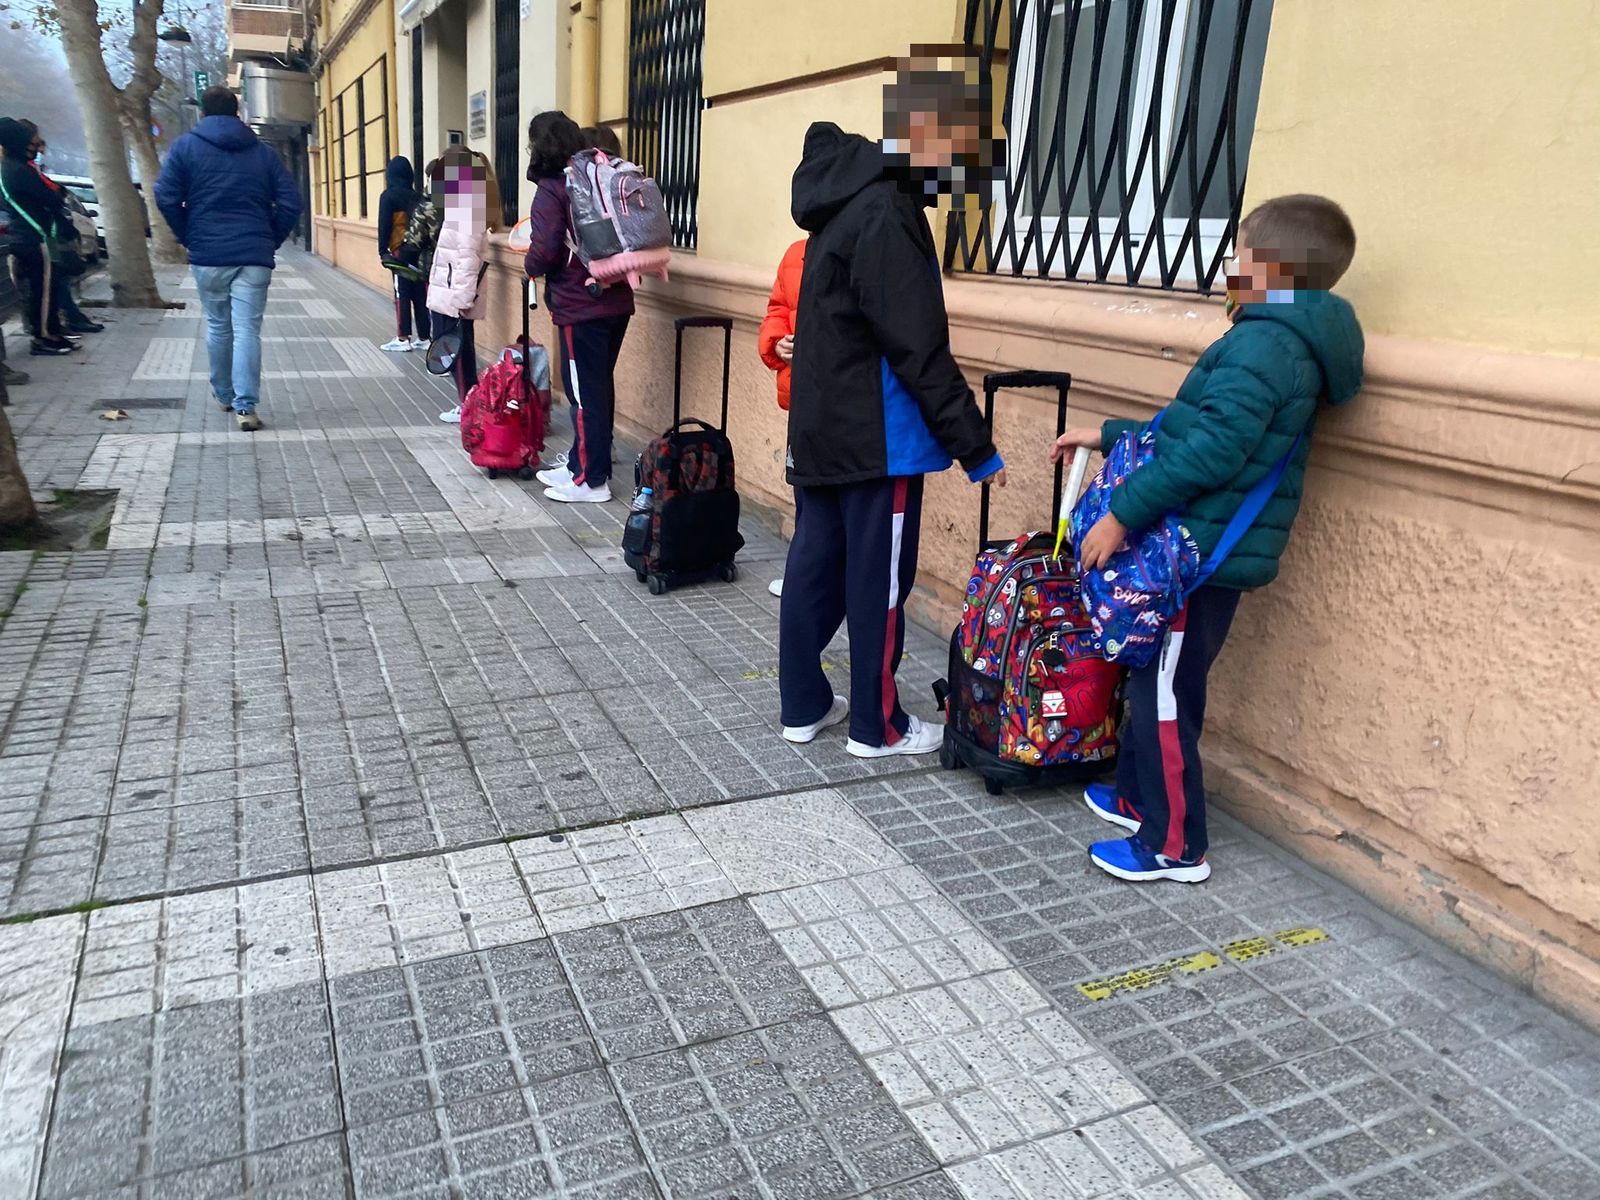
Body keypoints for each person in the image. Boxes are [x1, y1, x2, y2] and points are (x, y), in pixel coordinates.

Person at [1053, 195, 1365, 884]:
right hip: (1198, 544)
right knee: (1151, 672)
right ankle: (1137, 795)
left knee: (1168, 691)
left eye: (1238, 251)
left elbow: (1212, 455)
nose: (1228, 265)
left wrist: (1121, 514)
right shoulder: (1270, 335)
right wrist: (1107, 434)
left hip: (1198, 553)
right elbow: (1194, 428)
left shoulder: (1268, 343)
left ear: (1269, 266)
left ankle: (1175, 845)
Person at [779, 51, 1007, 759]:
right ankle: (879, 727)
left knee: (814, 567)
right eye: (970, 147)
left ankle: (803, 706)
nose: (974, 165)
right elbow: (917, 346)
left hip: (822, 428)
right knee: (877, 583)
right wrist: (975, 444)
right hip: (879, 439)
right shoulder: (888, 211)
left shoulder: (838, 207)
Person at [155, 86, 302, 432]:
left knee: (219, 326)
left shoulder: (185, 148)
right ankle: (246, 407)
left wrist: (187, 234)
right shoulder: (263, 154)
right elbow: (292, 203)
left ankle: (224, 394)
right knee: (248, 329)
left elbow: (165, 196)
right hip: (253, 254)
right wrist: (270, 238)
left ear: (203, 113)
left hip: (208, 254)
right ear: (237, 112)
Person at [523, 110, 634, 504]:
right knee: (598, 387)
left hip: (580, 304)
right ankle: (578, 464)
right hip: (617, 297)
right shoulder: (594, 175)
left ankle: (592, 479)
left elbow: (546, 249)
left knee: (584, 393)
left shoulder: (554, 188)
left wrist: (529, 264)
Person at [428, 147, 501, 424]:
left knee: (458, 354)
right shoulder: (463, 204)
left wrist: (461, 299)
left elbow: (468, 259)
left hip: (454, 296)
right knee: (458, 353)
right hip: (449, 291)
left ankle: (469, 406)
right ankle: (468, 404)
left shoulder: (469, 208)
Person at [757, 236, 806, 598]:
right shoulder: (796, 253)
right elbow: (777, 308)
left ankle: (814, 576)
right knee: (805, 493)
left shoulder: (862, 244)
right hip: (802, 398)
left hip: (843, 399)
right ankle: (805, 574)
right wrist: (776, 342)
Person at [20, 124, 102, 335]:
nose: (40, 148)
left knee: (58, 277)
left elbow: (53, 193)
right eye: (37, 141)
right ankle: (59, 323)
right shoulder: (21, 170)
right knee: (52, 279)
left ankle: (63, 320)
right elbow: (48, 197)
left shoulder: (30, 168)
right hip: (40, 235)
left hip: (50, 232)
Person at [0, 116, 73, 356]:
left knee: (46, 288)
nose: (36, 146)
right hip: (33, 237)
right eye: (31, 142)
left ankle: (51, 331)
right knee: (41, 291)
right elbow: (50, 198)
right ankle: (43, 337)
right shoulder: (17, 170)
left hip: (32, 235)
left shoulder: (16, 168)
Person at [376, 155, 428, 353]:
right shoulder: (417, 196)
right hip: (418, 250)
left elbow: (384, 225)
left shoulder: (388, 196)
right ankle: (424, 336)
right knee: (419, 294)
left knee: (402, 293)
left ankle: (403, 337)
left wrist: (382, 251)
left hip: (399, 250)